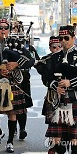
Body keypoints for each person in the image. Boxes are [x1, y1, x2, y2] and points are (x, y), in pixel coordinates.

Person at [0, 18, 34, 153]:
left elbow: (31, 59)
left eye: (6, 27)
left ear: (9, 29)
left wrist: (16, 64)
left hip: (12, 82)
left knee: (13, 113)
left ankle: (10, 141)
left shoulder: (16, 44)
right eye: (0, 27)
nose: (3, 30)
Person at [44, 25, 77, 154]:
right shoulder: (54, 57)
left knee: (75, 139)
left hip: (74, 98)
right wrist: (55, 87)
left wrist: (70, 82)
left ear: (73, 38)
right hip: (57, 101)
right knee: (57, 141)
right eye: (61, 38)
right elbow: (47, 77)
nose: (63, 41)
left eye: (66, 38)